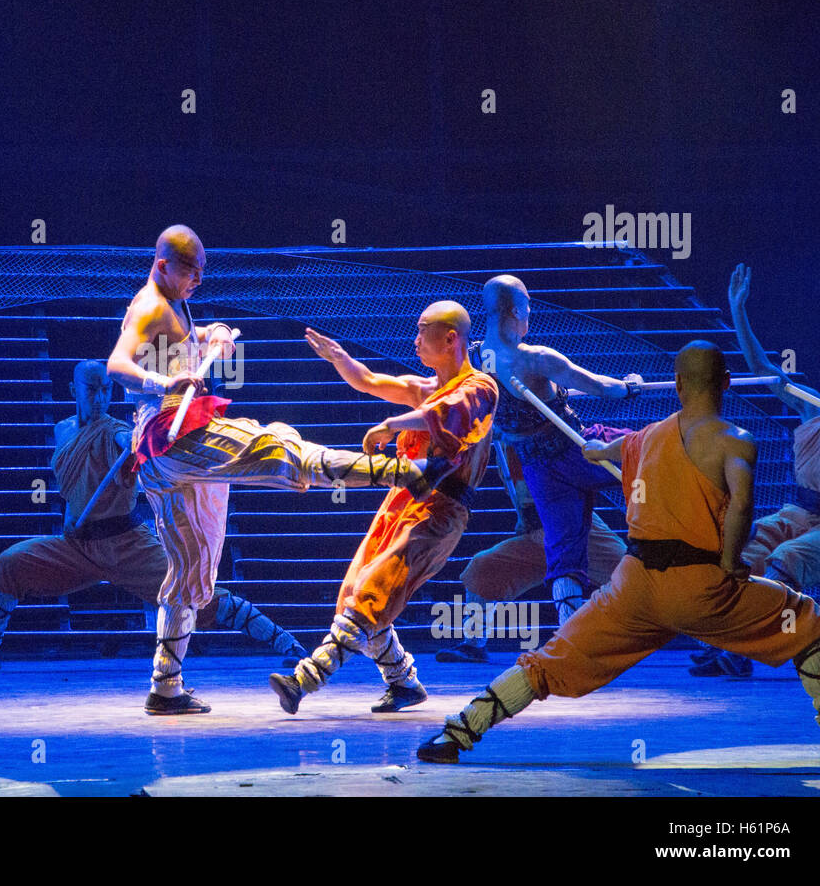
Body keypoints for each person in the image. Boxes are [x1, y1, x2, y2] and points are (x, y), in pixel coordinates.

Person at [416, 342, 820, 764]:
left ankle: (455, 734)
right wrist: (731, 563)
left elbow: (599, 450)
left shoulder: (644, 439)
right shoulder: (735, 441)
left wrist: (595, 450)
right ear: (726, 383)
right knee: (808, 625)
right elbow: (742, 508)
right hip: (702, 590)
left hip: (634, 589)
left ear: (675, 384)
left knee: (547, 662)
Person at [108, 225, 441, 714]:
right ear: (162, 265)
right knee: (278, 446)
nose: (198, 279)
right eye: (190, 270)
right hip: (174, 437)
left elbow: (178, 340)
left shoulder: (171, 300)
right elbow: (118, 363)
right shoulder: (149, 304)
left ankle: (166, 686)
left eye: (202, 271)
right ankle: (395, 471)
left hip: (163, 458)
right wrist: (164, 382)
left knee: (192, 574)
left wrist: (208, 335)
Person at [0, 360, 306, 672]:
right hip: (75, 546)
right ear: (73, 389)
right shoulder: (62, 431)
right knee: (9, 563)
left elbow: (135, 447)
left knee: (195, 592)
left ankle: (289, 645)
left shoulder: (118, 433)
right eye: (92, 390)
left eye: (106, 389)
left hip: (126, 545)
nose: (100, 397)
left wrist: (145, 446)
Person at [268, 312, 497, 714]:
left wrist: (391, 424)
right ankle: (403, 682)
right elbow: (369, 381)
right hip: (401, 502)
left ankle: (306, 678)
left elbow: (450, 417)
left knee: (376, 587)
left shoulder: (480, 388)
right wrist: (340, 359)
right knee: (358, 589)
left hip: (441, 508)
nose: (414, 340)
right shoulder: (422, 388)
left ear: (449, 339)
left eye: (421, 332)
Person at [690, 265, 820, 677]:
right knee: (740, 556)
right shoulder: (814, 406)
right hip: (801, 512)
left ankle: (745, 648)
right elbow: (763, 368)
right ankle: (724, 640)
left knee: (783, 563)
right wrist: (739, 310)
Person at [479, 275, 640, 623]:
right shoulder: (534, 359)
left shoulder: (477, 358)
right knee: (649, 449)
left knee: (564, 550)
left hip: (538, 469)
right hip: (577, 452)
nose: (530, 312)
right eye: (528, 305)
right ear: (517, 310)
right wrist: (630, 386)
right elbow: (600, 387)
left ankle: (571, 636)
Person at [435, 439, 624, 663]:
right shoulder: (503, 449)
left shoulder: (549, 438)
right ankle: (474, 644)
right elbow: (523, 493)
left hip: (573, 527)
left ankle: (662, 621)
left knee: (631, 576)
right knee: (483, 569)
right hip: (539, 533)